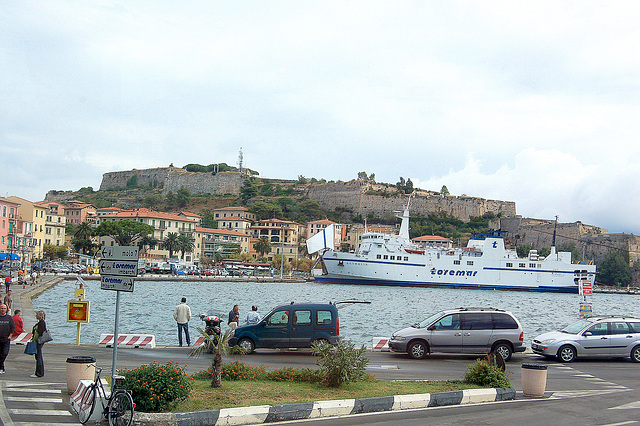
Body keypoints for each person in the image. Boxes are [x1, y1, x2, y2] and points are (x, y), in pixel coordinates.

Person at [31, 310, 47, 378]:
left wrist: (34, 339)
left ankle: (39, 372)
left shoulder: (41, 323)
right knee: (38, 356)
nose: (36, 316)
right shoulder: (41, 322)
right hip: (39, 341)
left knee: (38, 357)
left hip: (38, 341)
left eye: (36, 315)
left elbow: (38, 333)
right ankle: (39, 372)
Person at [0, 304, 15, 374]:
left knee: (5, 353)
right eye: (2, 308)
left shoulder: (9, 318)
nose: (3, 310)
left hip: (6, 339)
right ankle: (1, 368)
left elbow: (12, 327)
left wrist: (10, 336)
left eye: (4, 308)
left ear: (6, 309)